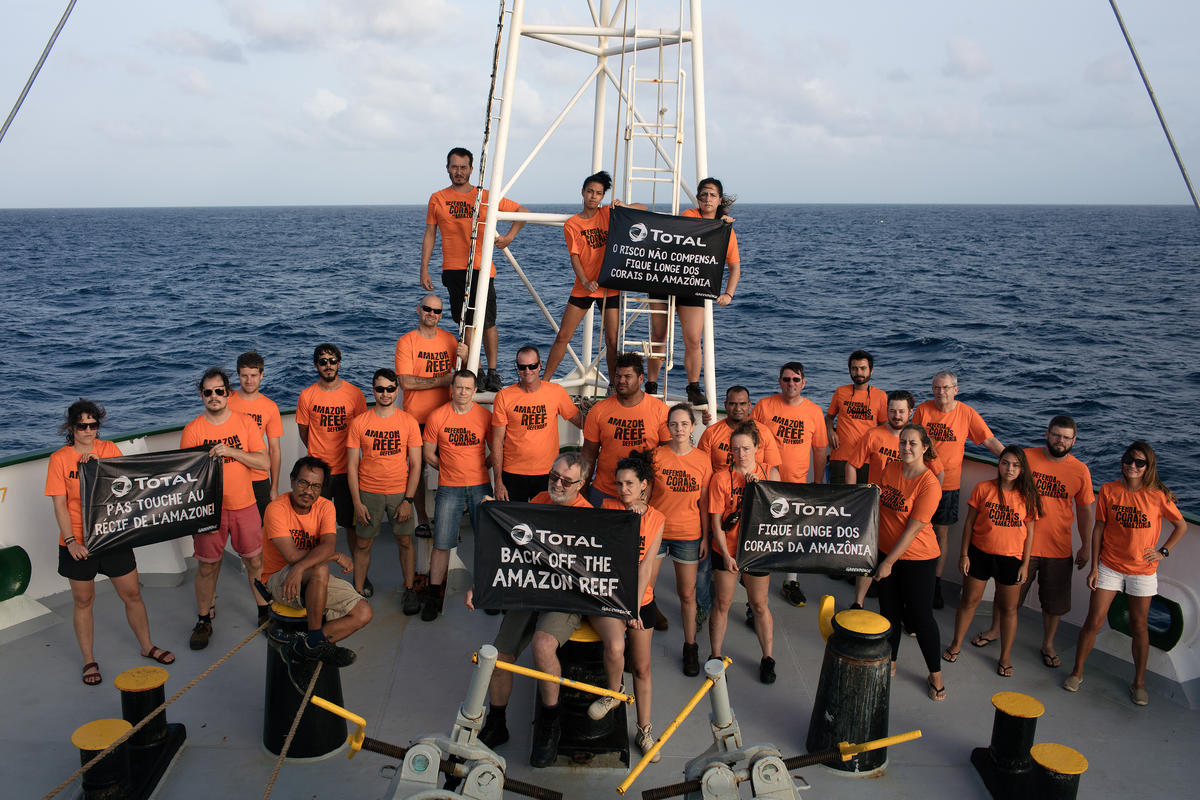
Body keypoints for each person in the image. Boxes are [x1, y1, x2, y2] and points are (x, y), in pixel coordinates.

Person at [465, 453, 593, 764]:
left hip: (564, 596)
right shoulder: (538, 499)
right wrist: (481, 586)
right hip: (530, 587)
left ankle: (550, 723)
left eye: (565, 481)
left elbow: (592, 572)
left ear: (581, 484)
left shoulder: (589, 517)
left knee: (543, 645)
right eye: (553, 476)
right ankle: (497, 723)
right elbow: (507, 547)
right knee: (498, 655)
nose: (557, 484)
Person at [46, 400, 174, 686]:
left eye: (94, 425)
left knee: (132, 595)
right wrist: (70, 542)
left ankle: (146, 645)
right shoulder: (59, 459)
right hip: (77, 541)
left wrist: (100, 468)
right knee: (83, 601)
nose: (89, 431)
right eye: (83, 426)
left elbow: (125, 492)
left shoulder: (109, 450)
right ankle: (88, 659)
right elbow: (60, 505)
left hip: (111, 536)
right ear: (72, 428)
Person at [1064, 442, 1187, 705]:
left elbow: (1180, 526)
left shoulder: (1157, 496)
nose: (1132, 465)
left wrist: (1163, 552)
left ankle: (1139, 683)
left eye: (1139, 462)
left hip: (1143, 571)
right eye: (1129, 460)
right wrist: (1095, 567)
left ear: (1148, 467)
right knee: (1094, 621)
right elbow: (1098, 529)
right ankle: (1077, 672)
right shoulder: (1109, 490)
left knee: (1139, 626)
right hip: (1109, 566)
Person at [972, 416, 1094, 668]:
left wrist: (1085, 544)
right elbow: (1003, 478)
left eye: (1066, 437)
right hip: (1019, 545)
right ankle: (994, 630)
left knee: (1054, 603)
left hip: (1058, 547)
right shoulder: (1026, 458)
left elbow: (1084, 510)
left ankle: (1048, 644)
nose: (1060, 441)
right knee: (1007, 600)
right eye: (1056, 435)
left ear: (1074, 440)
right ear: (1047, 434)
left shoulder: (1080, 470)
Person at [420, 146, 529, 392]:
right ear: (447, 168)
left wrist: (510, 236)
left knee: (488, 322)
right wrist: (424, 268)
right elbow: (430, 234)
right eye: (454, 167)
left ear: (471, 169)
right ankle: (476, 370)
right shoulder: (437, 198)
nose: (458, 172)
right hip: (453, 269)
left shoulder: (486, 196)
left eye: (463, 167)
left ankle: (492, 372)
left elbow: (523, 212)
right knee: (465, 324)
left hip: (482, 268)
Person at [181, 367, 270, 648]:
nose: (214, 396)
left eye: (219, 391)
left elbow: (264, 462)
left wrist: (230, 451)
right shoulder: (193, 430)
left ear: (228, 393)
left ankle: (264, 610)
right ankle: (204, 617)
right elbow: (185, 476)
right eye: (208, 392)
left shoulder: (245, 423)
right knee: (207, 567)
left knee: (255, 561)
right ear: (201, 396)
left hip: (245, 505)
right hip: (209, 513)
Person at [588, 450, 666, 762]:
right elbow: (600, 556)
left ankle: (644, 730)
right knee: (617, 647)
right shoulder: (607, 509)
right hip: (608, 595)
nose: (623, 490)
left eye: (629, 484)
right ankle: (613, 694)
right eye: (619, 484)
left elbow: (646, 568)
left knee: (643, 668)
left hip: (638, 599)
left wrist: (633, 608)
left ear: (644, 485)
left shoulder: (656, 518)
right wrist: (626, 519)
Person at [262, 456, 373, 666]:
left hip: (308, 575)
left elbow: (327, 545)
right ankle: (315, 640)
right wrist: (335, 557)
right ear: (292, 481)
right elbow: (292, 557)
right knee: (321, 568)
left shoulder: (325, 507)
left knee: (363, 613)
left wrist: (303, 566)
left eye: (315, 486)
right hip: (279, 578)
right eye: (303, 483)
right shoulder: (276, 509)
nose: (308, 491)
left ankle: (305, 646)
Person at [942, 446, 1040, 678]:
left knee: (1008, 609)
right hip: (980, 554)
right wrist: (964, 554)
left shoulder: (1028, 497)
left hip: (1011, 560)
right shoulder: (984, 488)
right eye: (1005, 463)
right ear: (999, 464)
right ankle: (956, 644)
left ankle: (1004, 657)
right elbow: (969, 524)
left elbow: (1030, 533)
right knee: (969, 601)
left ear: (1022, 468)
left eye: (1016, 465)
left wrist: (1025, 565)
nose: (1010, 469)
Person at [867, 423, 946, 701]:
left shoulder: (929, 483)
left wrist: (888, 562)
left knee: (921, 618)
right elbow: (877, 505)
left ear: (925, 447)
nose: (906, 448)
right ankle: (891, 661)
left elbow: (913, 529)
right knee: (889, 612)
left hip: (918, 558)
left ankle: (935, 674)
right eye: (903, 442)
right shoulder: (890, 469)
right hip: (886, 552)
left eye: (913, 443)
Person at [912, 371, 1004, 608]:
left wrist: (1012, 461)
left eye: (945, 388)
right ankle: (911, 578)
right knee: (913, 530)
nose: (940, 392)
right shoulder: (923, 410)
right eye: (936, 388)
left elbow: (989, 440)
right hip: (919, 483)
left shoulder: (967, 413)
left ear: (956, 389)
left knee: (940, 536)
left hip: (948, 487)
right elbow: (912, 442)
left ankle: (934, 584)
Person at [646, 177, 741, 405]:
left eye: (712, 195)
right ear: (698, 198)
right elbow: (693, 232)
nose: (707, 198)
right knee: (658, 335)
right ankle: (651, 385)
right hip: (664, 280)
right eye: (703, 194)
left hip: (693, 287)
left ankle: (693, 387)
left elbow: (735, 266)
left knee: (693, 340)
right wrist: (720, 226)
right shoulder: (690, 215)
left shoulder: (727, 231)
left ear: (720, 200)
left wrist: (728, 293)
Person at [542, 171, 644, 382]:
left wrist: (623, 205)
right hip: (584, 286)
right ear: (583, 192)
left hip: (609, 286)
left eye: (598, 193)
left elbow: (643, 209)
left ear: (602, 196)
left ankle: (614, 386)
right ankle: (544, 381)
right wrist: (585, 281)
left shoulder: (608, 213)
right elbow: (575, 258)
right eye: (590, 192)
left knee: (612, 340)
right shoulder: (572, 224)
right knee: (563, 336)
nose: (593, 196)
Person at [707, 422, 780, 684]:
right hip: (727, 548)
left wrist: (759, 489)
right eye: (735, 449)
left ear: (757, 448)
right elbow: (716, 521)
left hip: (756, 551)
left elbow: (777, 516)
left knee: (759, 604)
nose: (741, 454)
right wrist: (726, 555)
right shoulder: (720, 478)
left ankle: (768, 657)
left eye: (746, 448)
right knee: (723, 603)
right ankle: (715, 656)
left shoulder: (768, 476)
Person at [346, 368, 422, 613]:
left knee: (405, 542)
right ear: (373, 390)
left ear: (396, 390)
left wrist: (408, 501)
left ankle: (409, 590)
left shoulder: (408, 421)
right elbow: (351, 465)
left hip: (400, 493)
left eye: (390, 388)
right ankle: (357, 592)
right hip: (368, 493)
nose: (385, 393)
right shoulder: (360, 422)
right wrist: (357, 502)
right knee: (363, 544)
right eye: (380, 389)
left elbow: (416, 464)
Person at [752, 361, 828, 608]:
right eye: (786, 379)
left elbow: (819, 449)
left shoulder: (814, 411)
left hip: (797, 483)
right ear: (779, 382)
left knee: (794, 532)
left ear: (804, 383)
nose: (791, 384)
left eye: (796, 379)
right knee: (763, 527)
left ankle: (790, 581)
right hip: (765, 481)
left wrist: (817, 482)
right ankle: (754, 573)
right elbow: (750, 438)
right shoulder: (764, 405)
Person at [422, 369, 492, 621]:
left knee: (486, 540)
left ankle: (488, 590)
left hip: (480, 486)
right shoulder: (437, 416)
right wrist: (448, 468)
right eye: (458, 387)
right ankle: (433, 596)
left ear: (475, 391)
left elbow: (496, 450)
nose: (462, 392)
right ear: (451, 388)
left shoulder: (485, 417)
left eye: (467, 388)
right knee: (441, 543)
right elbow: (428, 453)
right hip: (449, 486)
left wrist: (484, 466)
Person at [296, 343, 368, 589]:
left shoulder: (355, 394)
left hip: (348, 472)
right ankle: (315, 578)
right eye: (323, 361)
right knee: (315, 531)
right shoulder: (307, 395)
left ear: (340, 362)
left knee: (351, 527)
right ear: (316, 365)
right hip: (319, 477)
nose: (328, 365)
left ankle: (360, 576)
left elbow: (361, 432)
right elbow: (304, 433)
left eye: (332, 360)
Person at [395, 294, 469, 533]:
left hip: (446, 418)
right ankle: (422, 518)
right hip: (415, 419)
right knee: (415, 469)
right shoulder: (406, 342)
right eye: (427, 309)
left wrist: (467, 358)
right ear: (418, 309)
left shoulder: (449, 340)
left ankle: (450, 515)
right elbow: (406, 383)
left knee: (451, 464)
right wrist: (443, 380)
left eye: (437, 311)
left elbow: (466, 377)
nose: (432, 314)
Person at [650, 403, 712, 676]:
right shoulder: (656, 456)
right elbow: (646, 496)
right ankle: (635, 643)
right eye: (673, 424)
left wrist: (705, 538)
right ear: (668, 426)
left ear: (692, 427)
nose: (678, 429)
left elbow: (705, 503)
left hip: (688, 534)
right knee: (644, 592)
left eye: (684, 424)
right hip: (656, 533)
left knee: (687, 594)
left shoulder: (703, 460)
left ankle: (690, 646)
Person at [491, 345, 582, 502]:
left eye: (532, 366)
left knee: (543, 523)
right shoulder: (504, 396)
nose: (528, 371)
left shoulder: (556, 392)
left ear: (540, 365)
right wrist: (498, 482)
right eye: (522, 367)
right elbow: (497, 442)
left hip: (549, 474)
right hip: (512, 473)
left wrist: (603, 414)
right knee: (513, 523)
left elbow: (581, 422)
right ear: (517, 368)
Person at [581, 352, 669, 507]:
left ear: (641, 378)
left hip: (642, 495)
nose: (621, 381)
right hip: (603, 491)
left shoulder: (660, 411)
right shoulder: (599, 411)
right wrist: (581, 491)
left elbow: (669, 456)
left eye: (627, 376)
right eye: (617, 376)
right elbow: (588, 456)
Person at [228, 350, 283, 518]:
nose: (249, 380)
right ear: (238, 375)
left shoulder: (270, 407)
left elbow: (274, 450)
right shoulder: (226, 400)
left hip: (259, 476)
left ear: (262, 375)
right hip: (231, 476)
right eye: (244, 375)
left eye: (253, 375)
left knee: (262, 528)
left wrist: (274, 487)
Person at [825, 350, 887, 485]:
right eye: (854, 368)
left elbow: (884, 427)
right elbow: (829, 417)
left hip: (867, 459)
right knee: (839, 501)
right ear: (850, 371)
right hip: (840, 457)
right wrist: (830, 431)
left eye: (863, 368)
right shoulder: (840, 392)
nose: (859, 373)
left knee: (863, 502)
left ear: (871, 371)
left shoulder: (880, 396)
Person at [696, 386, 782, 472]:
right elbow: (701, 467)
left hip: (754, 483)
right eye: (732, 404)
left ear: (749, 405)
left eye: (742, 404)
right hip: (720, 483)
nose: (737, 408)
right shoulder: (711, 432)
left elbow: (773, 469)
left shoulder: (763, 432)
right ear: (725, 405)